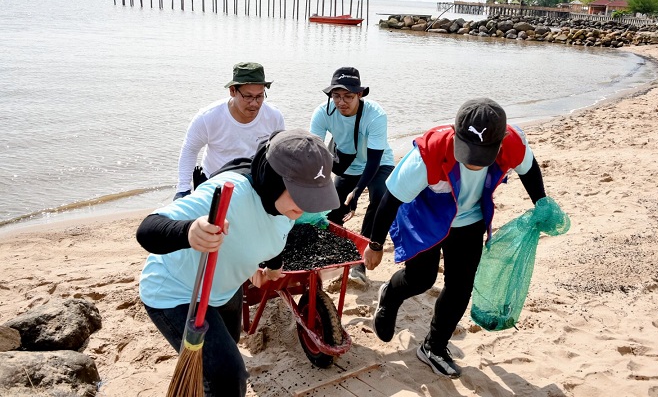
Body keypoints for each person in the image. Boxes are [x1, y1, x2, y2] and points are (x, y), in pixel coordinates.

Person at [138, 129, 340, 396]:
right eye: (301, 195)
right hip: (177, 292)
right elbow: (147, 229)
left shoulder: (286, 205)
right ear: (274, 179)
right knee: (229, 378)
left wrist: (271, 265)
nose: (306, 206)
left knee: (228, 348)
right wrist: (189, 232)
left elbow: (278, 231)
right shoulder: (229, 194)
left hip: (224, 288)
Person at [363, 98, 547, 378]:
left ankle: (434, 346)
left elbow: (530, 170)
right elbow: (390, 200)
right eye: (468, 151)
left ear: (500, 142)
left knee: (461, 286)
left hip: (469, 219)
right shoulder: (428, 153)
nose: (473, 162)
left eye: (482, 154)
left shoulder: (513, 142)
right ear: (457, 133)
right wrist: (375, 246)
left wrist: (541, 204)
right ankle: (390, 295)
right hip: (425, 216)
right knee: (422, 279)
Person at [310, 67, 395, 284]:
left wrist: (358, 191)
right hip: (348, 164)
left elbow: (374, 160)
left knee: (379, 197)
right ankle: (337, 255)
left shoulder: (375, 115)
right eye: (336, 96)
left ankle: (360, 263)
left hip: (378, 162)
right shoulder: (322, 113)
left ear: (360, 94)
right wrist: (316, 184)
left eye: (348, 96)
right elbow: (314, 153)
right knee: (332, 210)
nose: (342, 102)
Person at [174, 62, 285, 200]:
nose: (254, 103)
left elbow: (278, 155)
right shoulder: (208, 117)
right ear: (232, 91)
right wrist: (183, 189)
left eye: (259, 96)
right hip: (214, 184)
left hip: (253, 183)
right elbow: (190, 149)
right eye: (248, 96)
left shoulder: (274, 116)